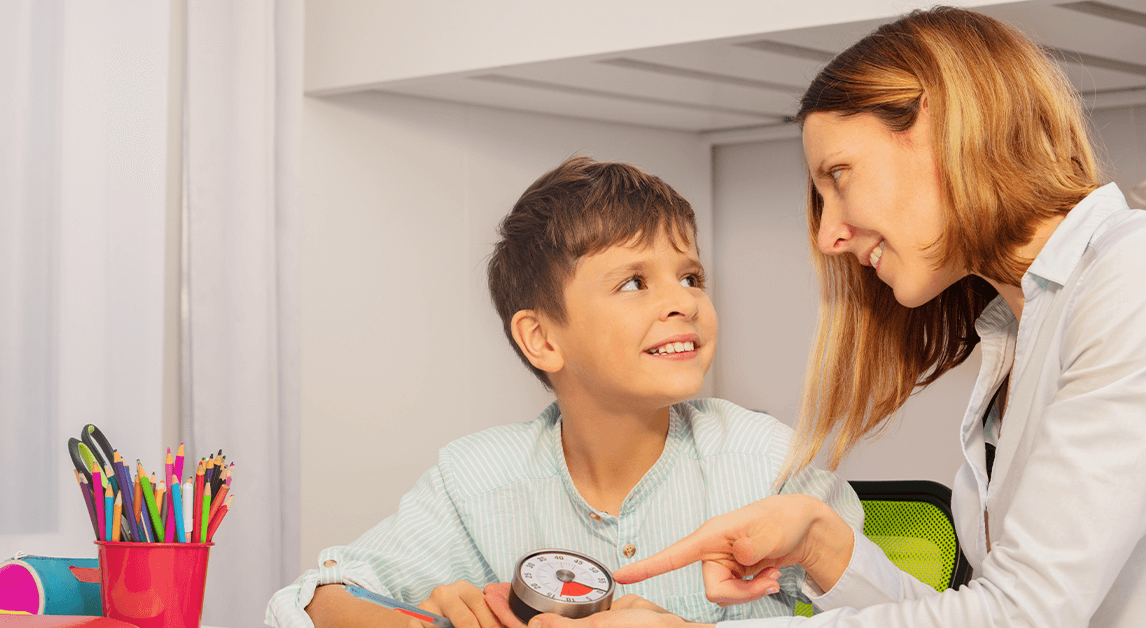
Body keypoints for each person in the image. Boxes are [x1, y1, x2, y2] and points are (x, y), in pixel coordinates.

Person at [481, 6, 1146, 628]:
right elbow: (974, 613)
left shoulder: (1129, 277)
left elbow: (1023, 616)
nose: (829, 235)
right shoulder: (1015, 328)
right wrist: (823, 543)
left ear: (943, 127)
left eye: (838, 174)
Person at [263, 156, 863, 628]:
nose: (684, 301)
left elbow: (892, 617)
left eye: (690, 276)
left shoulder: (772, 463)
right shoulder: (474, 479)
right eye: (634, 282)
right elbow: (307, 603)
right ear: (542, 338)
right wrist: (420, 621)